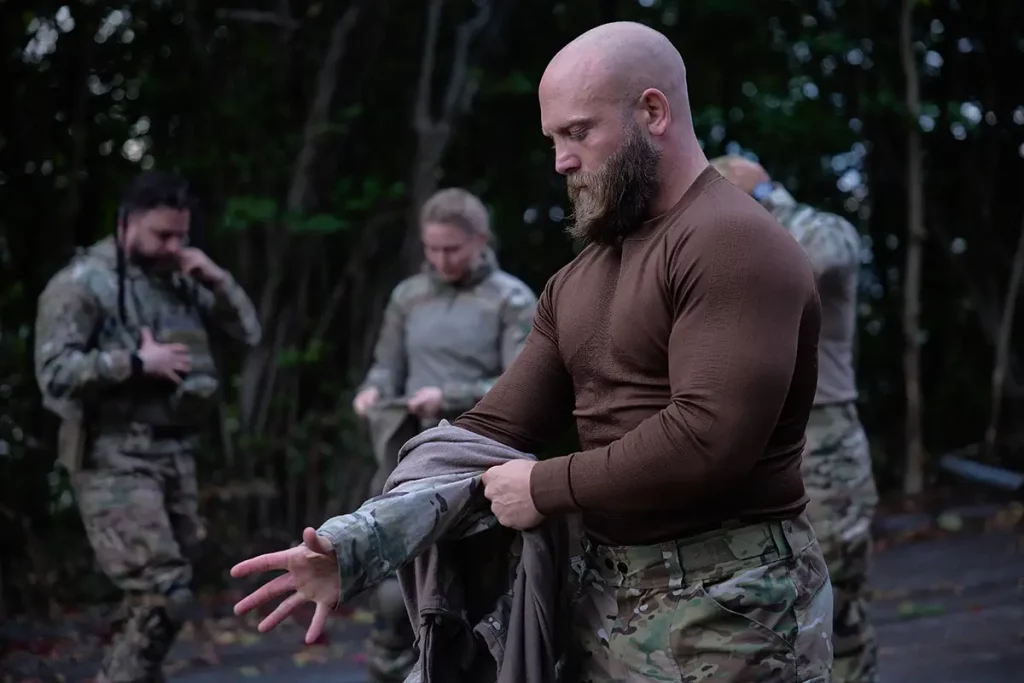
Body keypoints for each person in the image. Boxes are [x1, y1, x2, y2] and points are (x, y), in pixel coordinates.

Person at [230, 22, 833, 682]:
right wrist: (357, 543)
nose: (561, 161)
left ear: (652, 112)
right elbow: (488, 431)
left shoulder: (732, 243)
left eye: (578, 132)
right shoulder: (577, 280)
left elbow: (707, 441)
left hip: (733, 604)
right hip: (605, 600)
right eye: (553, 140)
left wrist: (545, 486)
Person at [34, 170, 262, 683]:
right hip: (111, 453)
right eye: (162, 235)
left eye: (181, 235)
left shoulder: (179, 277)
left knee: (158, 594)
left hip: (173, 453)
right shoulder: (81, 285)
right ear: (126, 224)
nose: (173, 246)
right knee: (164, 589)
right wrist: (135, 362)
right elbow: (53, 373)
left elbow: (248, 333)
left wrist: (215, 278)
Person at [350, 187, 538, 683]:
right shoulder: (409, 296)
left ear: (480, 240)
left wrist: (449, 395)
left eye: (452, 248)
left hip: (479, 461)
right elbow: (385, 366)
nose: (441, 259)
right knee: (394, 594)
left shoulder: (511, 298)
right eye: (432, 248)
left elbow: (522, 383)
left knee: (475, 594)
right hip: (409, 461)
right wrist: (372, 391)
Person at [712, 154, 879, 683]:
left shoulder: (817, 230)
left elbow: (826, 255)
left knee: (839, 602)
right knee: (765, 609)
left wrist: (759, 210)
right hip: (746, 441)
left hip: (822, 441)